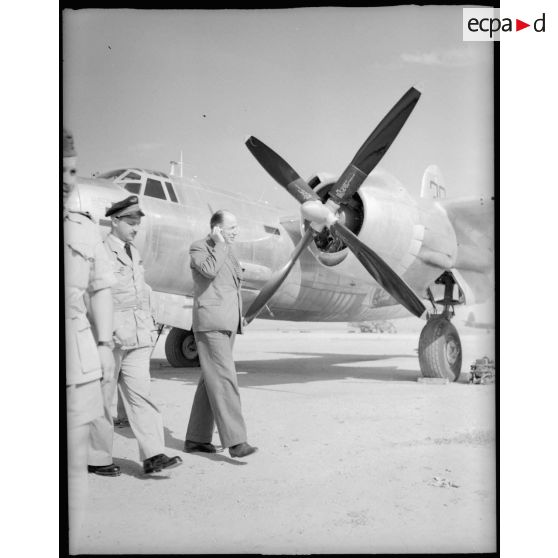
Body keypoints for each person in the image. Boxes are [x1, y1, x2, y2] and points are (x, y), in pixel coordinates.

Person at [88, 195, 183, 475]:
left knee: (141, 395)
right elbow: (93, 295)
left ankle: (153, 455)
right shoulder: (100, 251)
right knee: (104, 400)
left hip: (139, 335)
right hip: (112, 336)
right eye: (130, 222)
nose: (135, 227)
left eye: (137, 222)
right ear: (114, 221)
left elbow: (140, 290)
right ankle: (98, 458)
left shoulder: (134, 252)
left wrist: (152, 319)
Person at [63, 128, 116, 553]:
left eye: (72, 170)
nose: (66, 179)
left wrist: (102, 344)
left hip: (79, 357)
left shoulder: (82, 228)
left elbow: (100, 288)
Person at [184, 210, 257, 458]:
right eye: (232, 227)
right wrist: (219, 244)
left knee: (211, 380)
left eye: (236, 227)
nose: (236, 231)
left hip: (227, 323)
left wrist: (240, 317)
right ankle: (236, 441)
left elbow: (232, 287)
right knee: (225, 379)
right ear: (217, 228)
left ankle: (196, 438)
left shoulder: (226, 251)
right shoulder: (200, 247)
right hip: (211, 323)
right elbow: (209, 271)